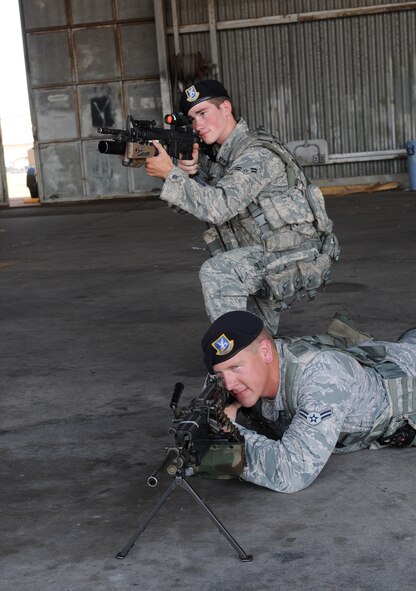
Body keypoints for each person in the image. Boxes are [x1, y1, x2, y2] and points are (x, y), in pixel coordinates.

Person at [145, 79, 340, 334]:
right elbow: (189, 204)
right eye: (193, 119)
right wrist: (186, 172)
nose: (198, 125)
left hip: (291, 253)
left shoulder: (255, 154)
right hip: (262, 250)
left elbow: (219, 207)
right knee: (259, 338)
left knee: (218, 272)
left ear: (226, 107)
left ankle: (234, 357)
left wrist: (170, 174)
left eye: (203, 113)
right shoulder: (220, 156)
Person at [200, 310, 416, 493]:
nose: (228, 384)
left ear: (266, 352)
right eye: (221, 374)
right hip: (389, 357)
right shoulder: (235, 379)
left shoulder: (321, 378)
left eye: (236, 367)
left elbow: (293, 471)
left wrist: (229, 433)